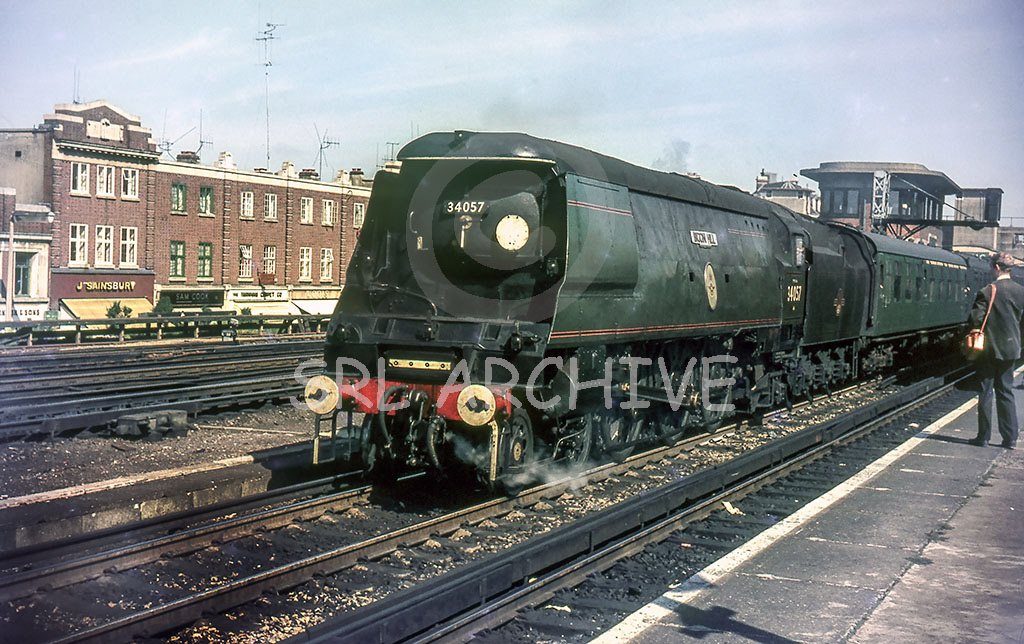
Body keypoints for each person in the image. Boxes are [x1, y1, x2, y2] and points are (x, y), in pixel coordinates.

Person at [968, 252, 1024, 449]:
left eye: (992, 267)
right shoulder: (1021, 291)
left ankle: (983, 437)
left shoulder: (987, 291)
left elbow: (975, 320)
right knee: (1005, 391)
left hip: (988, 350)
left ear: (997, 268)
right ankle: (1010, 438)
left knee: (985, 391)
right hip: (1011, 348)